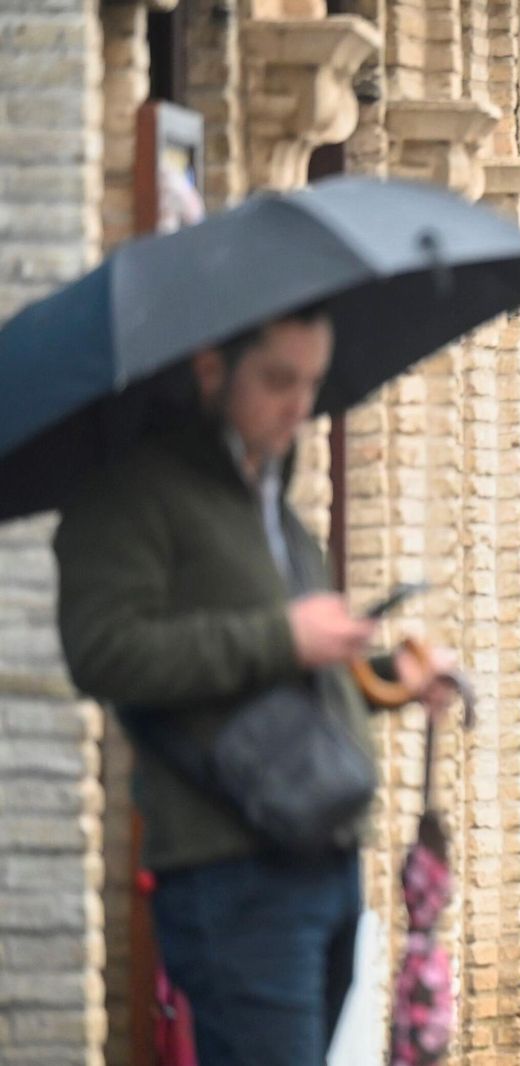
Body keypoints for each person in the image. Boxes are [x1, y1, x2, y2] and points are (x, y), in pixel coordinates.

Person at [53, 306, 456, 1065]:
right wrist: (286, 636)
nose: (298, 406)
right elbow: (102, 651)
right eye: (277, 380)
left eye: (310, 383)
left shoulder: (267, 498)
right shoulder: (137, 489)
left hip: (322, 854)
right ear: (212, 369)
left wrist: (386, 679)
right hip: (229, 867)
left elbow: (281, 675)